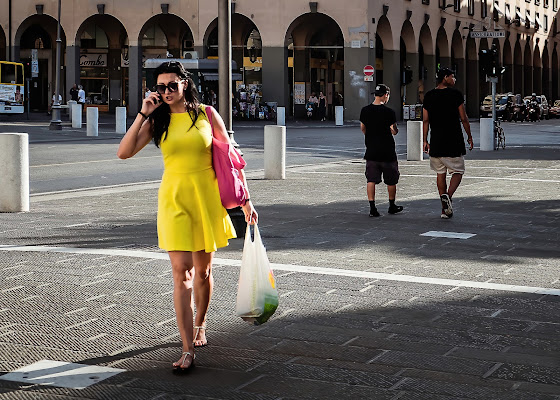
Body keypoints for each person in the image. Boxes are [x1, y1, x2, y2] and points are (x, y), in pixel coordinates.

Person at [117, 61, 258, 372]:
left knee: (203, 273)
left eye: (171, 85)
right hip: (174, 199)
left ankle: (201, 323)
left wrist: (246, 201)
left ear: (184, 84)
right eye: (160, 87)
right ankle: (186, 349)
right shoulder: (158, 121)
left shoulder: (206, 114)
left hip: (205, 199)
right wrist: (143, 113)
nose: (166, 92)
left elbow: (231, 159)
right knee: (181, 274)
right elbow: (124, 152)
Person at [422, 68, 473, 219]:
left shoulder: (429, 96)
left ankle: (444, 209)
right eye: (452, 77)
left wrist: (425, 140)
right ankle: (448, 198)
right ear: (445, 78)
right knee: (458, 171)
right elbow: (463, 118)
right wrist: (469, 136)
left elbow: (425, 120)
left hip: (436, 140)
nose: (454, 80)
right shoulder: (455, 94)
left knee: (440, 172)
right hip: (453, 140)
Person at [359, 84, 403, 217]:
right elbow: (394, 131)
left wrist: (370, 136)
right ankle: (391, 206)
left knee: (371, 179)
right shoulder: (389, 112)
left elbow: (363, 128)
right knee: (391, 180)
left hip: (371, 150)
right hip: (387, 151)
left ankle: (372, 208)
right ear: (386, 95)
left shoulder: (365, 110)